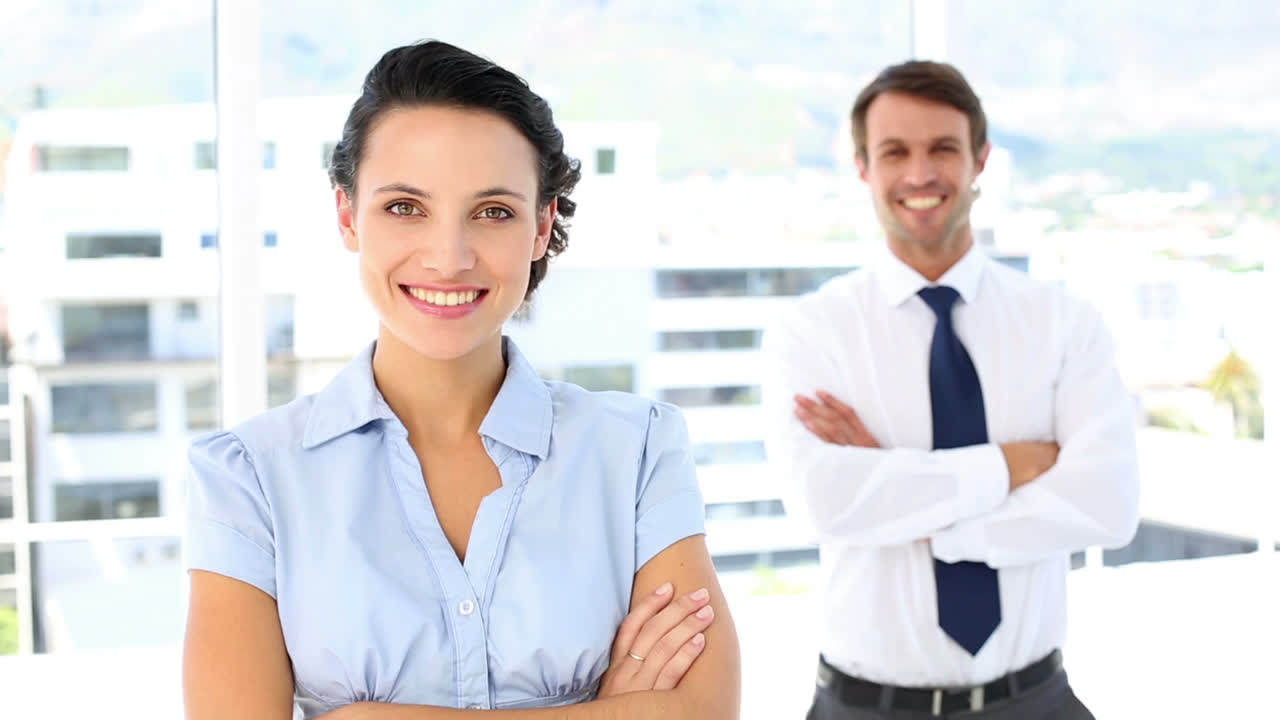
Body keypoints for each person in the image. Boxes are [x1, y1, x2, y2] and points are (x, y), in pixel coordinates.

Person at [183, 40, 739, 720]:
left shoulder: (637, 451)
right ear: (347, 215)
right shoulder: (251, 477)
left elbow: (703, 712)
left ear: (542, 226)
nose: (448, 258)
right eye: (405, 208)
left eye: (493, 211)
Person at [763, 60, 1139, 719]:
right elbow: (823, 502)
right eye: (894, 152)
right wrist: (1009, 466)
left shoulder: (1063, 322)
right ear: (862, 168)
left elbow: (1107, 505)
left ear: (981, 159)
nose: (919, 174)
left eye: (942, 148)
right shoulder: (811, 330)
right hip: (865, 708)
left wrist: (901, 497)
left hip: (1038, 701)